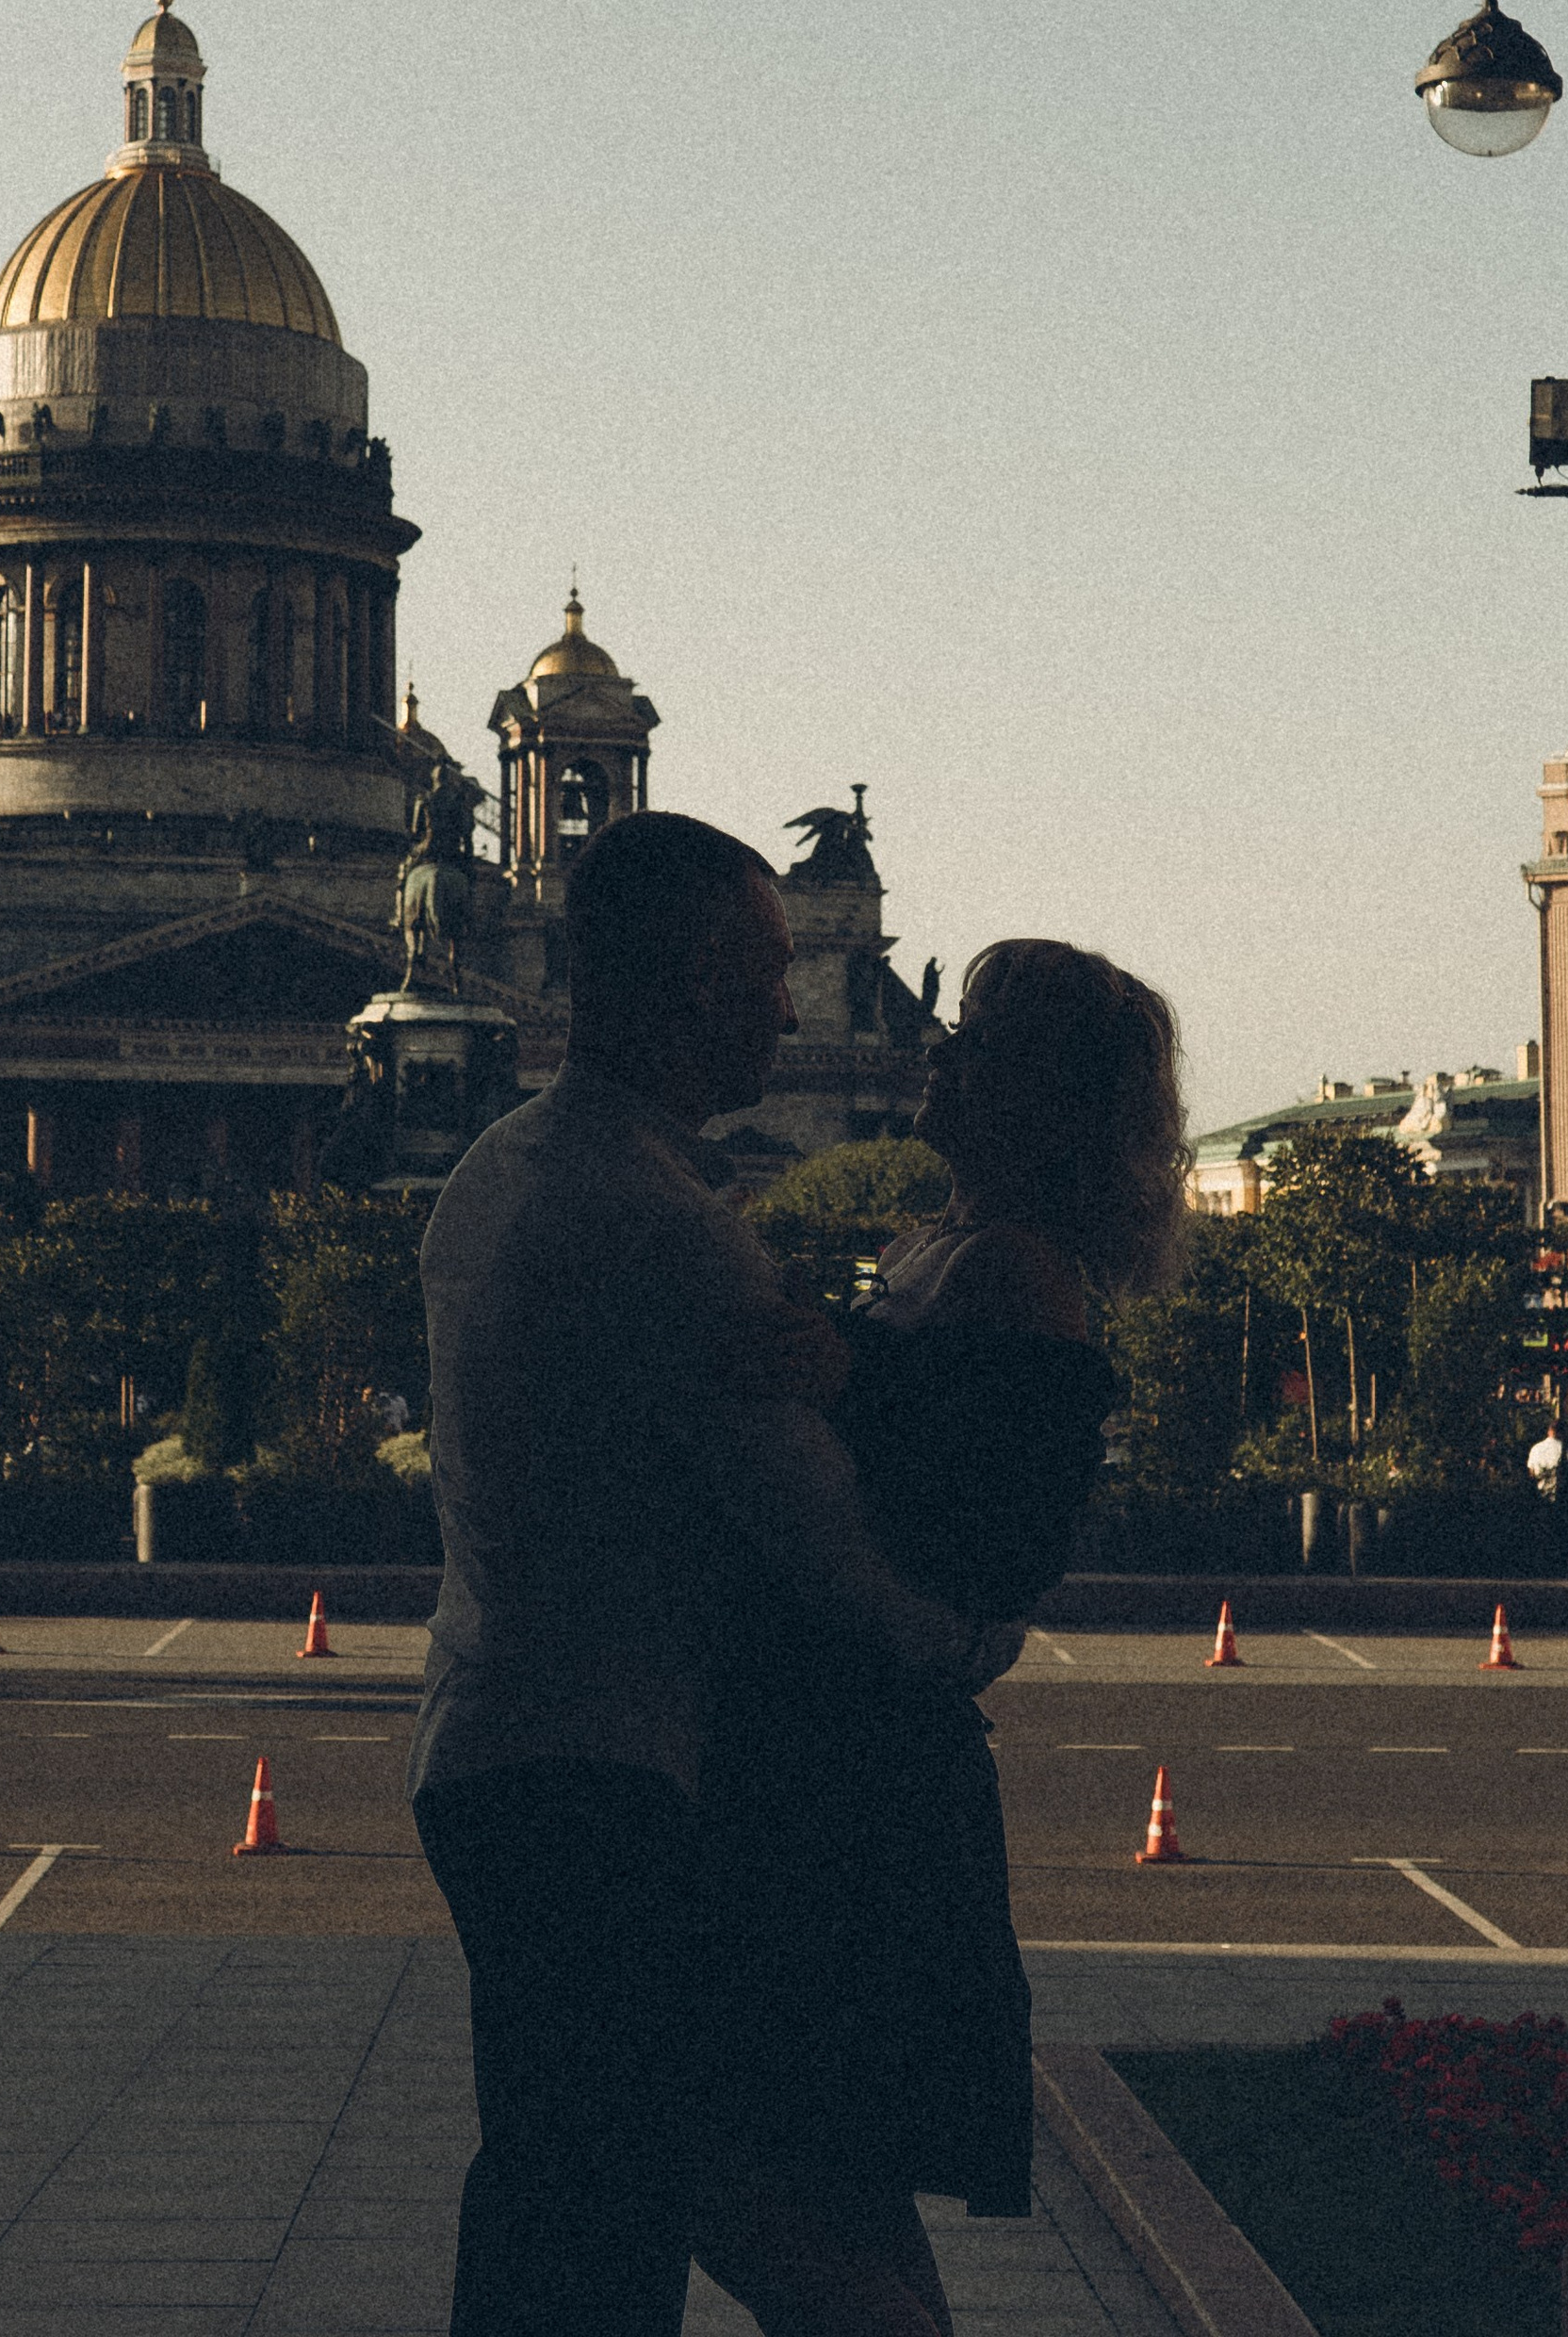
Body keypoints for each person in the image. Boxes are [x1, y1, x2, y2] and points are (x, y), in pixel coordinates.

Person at [408, 810, 979, 2337]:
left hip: (489, 1739)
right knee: (602, 2221)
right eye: (770, 969)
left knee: (559, 2192)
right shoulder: (662, 1227)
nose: (797, 1006)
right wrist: (969, 1639)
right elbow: (825, 1546)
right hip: (602, 1771)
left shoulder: (502, 1165)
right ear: (687, 983)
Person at [690, 938, 1188, 2337]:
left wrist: (845, 1373)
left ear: (1031, 1093)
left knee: (716, 2158)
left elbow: (991, 1537)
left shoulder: (1017, 1274)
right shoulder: (957, 1246)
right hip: (847, 1763)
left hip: (860, 1784)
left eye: (969, 1034)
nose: (935, 1048)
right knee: (839, 2183)